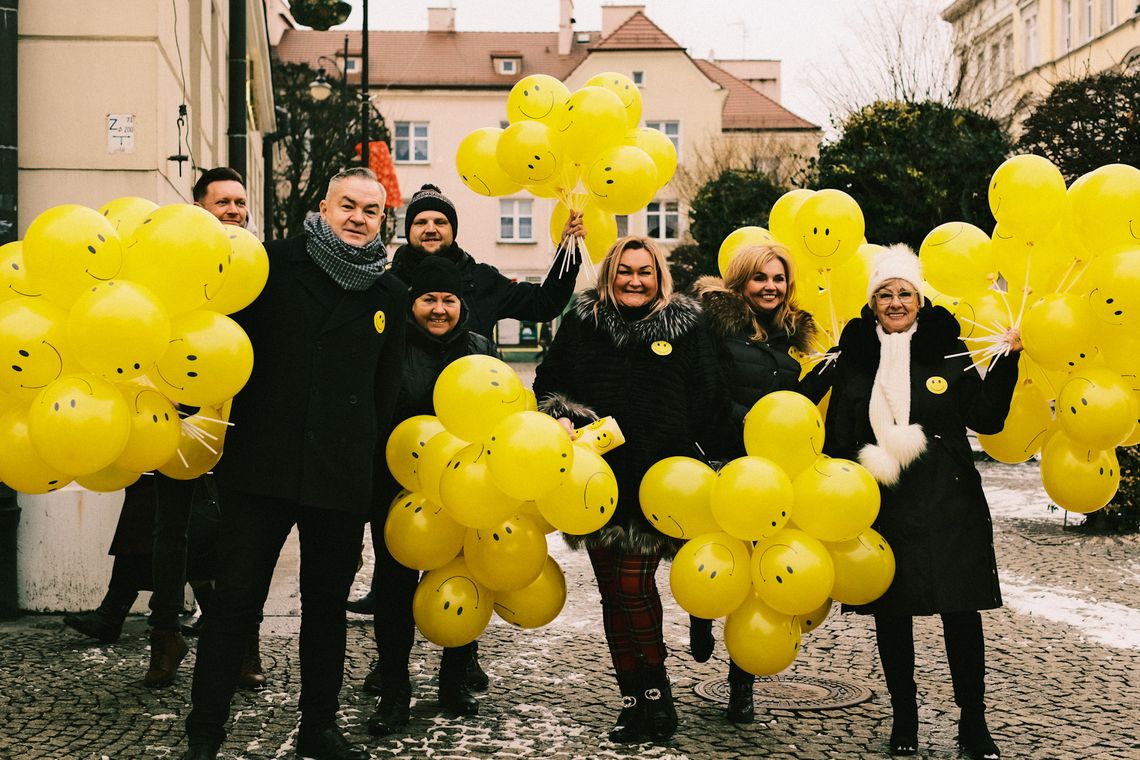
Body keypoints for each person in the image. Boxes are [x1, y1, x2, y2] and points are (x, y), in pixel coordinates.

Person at [183, 167, 406, 760]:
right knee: (234, 605)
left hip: (338, 472)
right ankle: (204, 733)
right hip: (264, 465)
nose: (360, 218)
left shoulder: (388, 292)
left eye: (372, 210)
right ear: (324, 208)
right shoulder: (271, 266)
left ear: (383, 219)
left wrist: (367, 465)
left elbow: (383, 392)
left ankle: (319, 727)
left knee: (326, 610)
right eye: (348, 206)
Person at [350, 183, 583, 686]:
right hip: (401, 464)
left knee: (468, 561)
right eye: (420, 222)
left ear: (453, 229)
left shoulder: (480, 280)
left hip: (467, 466)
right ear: (407, 231)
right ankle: (391, 668)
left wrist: (568, 249)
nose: (430, 229)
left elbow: (543, 302)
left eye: (440, 221)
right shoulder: (386, 284)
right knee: (397, 570)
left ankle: (460, 659)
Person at [816, 245, 1019, 760]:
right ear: (873, 303)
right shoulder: (854, 360)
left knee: (960, 612)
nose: (896, 301)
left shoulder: (947, 353)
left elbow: (986, 418)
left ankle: (973, 724)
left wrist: (1008, 362)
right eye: (885, 294)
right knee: (892, 613)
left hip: (949, 501)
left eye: (904, 292)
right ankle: (903, 720)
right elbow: (838, 432)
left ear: (920, 299)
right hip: (883, 501)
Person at [533, 236, 725, 744]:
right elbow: (548, 383)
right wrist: (566, 419)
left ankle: (657, 696)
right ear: (609, 275)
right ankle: (631, 698)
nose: (634, 280)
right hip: (593, 481)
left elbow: (709, 398)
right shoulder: (582, 321)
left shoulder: (687, 327)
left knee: (632, 588)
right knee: (611, 596)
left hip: (659, 481)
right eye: (624, 271)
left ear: (659, 276)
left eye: (644, 271)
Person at [366, 256, 500, 737]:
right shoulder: (391, 345)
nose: (439, 309)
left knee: (463, 581)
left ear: (461, 305)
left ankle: (453, 680)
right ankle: (394, 691)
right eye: (428, 299)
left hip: (467, 493)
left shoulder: (482, 350)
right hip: (400, 494)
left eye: (448, 300)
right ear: (412, 303)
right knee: (395, 590)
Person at [691, 243, 819, 723]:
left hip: (773, 471)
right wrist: (752, 426)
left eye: (779, 278)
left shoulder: (788, 336)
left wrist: (816, 384)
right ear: (741, 281)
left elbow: (789, 403)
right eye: (760, 278)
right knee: (716, 554)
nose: (770, 286)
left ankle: (739, 685)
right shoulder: (715, 329)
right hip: (725, 459)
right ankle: (701, 613)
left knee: (757, 580)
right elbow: (707, 393)